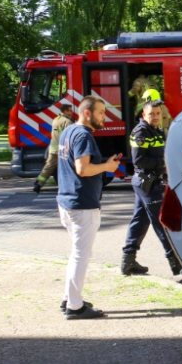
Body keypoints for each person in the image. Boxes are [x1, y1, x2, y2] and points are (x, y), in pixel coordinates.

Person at [57, 95, 121, 319]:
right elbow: (82, 169)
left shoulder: (68, 131)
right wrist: (107, 166)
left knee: (77, 253)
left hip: (67, 201)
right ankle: (75, 307)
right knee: (81, 255)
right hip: (82, 204)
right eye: (101, 112)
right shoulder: (83, 135)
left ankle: (68, 298)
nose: (105, 116)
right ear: (87, 113)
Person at [122, 100, 182, 276]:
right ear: (144, 115)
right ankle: (176, 265)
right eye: (151, 114)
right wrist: (164, 163)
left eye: (157, 113)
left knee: (139, 221)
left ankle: (128, 261)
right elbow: (139, 160)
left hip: (151, 182)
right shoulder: (141, 132)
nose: (155, 117)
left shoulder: (156, 130)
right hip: (147, 183)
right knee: (161, 223)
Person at [33, 104, 74, 193]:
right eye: (70, 110)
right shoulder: (67, 122)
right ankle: (69, 187)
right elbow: (70, 136)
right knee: (68, 168)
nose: (71, 112)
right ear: (65, 111)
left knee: (49, 167)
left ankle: (38, 183)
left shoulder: (56, 119)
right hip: (63, 149)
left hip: (53, 148)